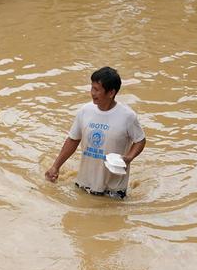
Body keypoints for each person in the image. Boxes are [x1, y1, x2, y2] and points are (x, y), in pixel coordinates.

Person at [44, 67, 146, 199]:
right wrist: (55, 166)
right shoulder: (85, 111)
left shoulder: (127, 116)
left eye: (97, 90)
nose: (92, 93)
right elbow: (73, 140)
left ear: (111, 93)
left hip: (113, 191)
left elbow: (140, 140)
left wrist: (129, 158)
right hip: (83, 184)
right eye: (92, 88)